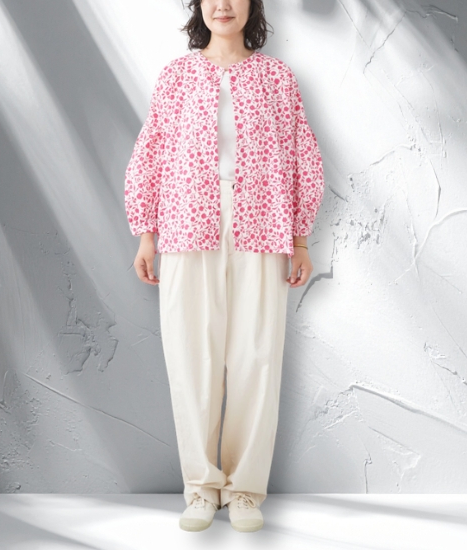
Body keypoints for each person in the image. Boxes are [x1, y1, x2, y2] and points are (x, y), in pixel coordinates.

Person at [124, 0, 324, 533]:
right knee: (191, 355)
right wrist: (146, 233)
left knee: (257, 356)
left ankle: (245, 491)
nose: (223, 5)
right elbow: (151, 153)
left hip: (264, 221)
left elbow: (302, 156)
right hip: (187, 221)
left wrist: (300, 239)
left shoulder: (277, 78)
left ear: (252, 5)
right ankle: (200, 487)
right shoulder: (176, 76)